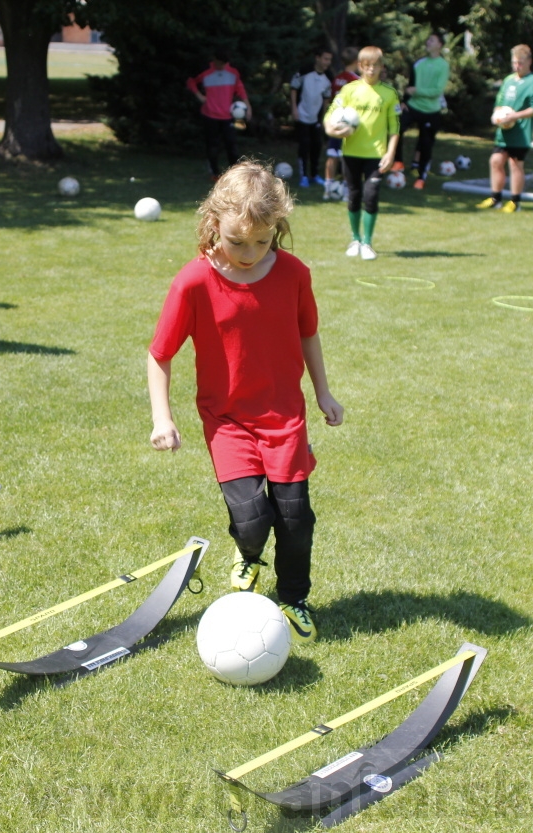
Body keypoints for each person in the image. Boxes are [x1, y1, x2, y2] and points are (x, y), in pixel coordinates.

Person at [147, 161, 344, 644]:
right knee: (253, 519)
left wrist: (323, 392)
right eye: (237, 242)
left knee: (296, 519)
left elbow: (308, 334)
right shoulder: (193, 282)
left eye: (263, 240)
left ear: (278, 226)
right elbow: (159, 355)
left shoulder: (295, 274)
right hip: (228, 421)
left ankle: (294, 597)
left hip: (284, 420)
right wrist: (163, 418)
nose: (250, 253)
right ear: (214, 223)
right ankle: (248, 554)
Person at [324, 46, 400, 261]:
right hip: (351, 153)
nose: (371, 69)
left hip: (377, 154)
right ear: (360, 66)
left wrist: (391, 153)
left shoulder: (389, 94)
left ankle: (367, 242)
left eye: (375, 65)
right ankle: (355, 239)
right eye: (367, 66)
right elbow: (331, 115)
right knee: (354, 196)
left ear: (381, 67)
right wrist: (332, 130)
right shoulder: (349, 91)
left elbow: (395, 128)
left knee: (371, 196)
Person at [477, 44, 533, 213]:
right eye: (514, 62)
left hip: (521, 133)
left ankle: (515, 202)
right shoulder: (508, 80)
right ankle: (495, 198)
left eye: (520, 63)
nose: (517, 66)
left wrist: (515, 116)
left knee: (515, 165)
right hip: (504, 132)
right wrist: (497, 115)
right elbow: (499, 103)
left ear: (529, 61)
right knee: (496, 161)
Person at [187, 53, 250, 179]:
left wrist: (248, 106)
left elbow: (240, 89)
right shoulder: (206, 71)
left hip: (228, 116)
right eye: (219, 63)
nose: (220, 66)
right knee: (212, 146)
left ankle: (235, 174)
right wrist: (200, 96)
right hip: (210, 115)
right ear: (215, 60)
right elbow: (191, 82)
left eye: (223, 64)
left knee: (231, 145)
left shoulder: (233, 73)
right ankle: (215, 173)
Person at [399, 33, 450, 190]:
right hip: (413, 106)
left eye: (432, 40)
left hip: (431, 111)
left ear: (439, 45)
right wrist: (404, 102)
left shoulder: (443, 65)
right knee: (396, 128)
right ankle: (397, 162)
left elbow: (436, 91)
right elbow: (410, 86)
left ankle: (421, 176)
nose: (427, 42)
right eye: (427, 39)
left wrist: (417, 91)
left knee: (426, 143)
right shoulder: (419, 63)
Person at [289, 48, 332, 189]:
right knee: (304, 146)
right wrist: (294, 109)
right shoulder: (304, 71)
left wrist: (324, 117)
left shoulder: (329, 76)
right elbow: (293, 89)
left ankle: (314, 175)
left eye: (329, 59)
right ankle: (304, 176)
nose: (327, 62)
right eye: (325, 58)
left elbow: (326, 98)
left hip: (316, 118)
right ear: (317, 58)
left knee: (317, 146)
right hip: (302, 115)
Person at [322, 47, 361, 201]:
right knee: (347, 157)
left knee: (332, 155)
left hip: (335, 120)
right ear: (357, 62)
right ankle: (346, 191)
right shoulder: (356, 81)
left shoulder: (337, 78)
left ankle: (327, 189)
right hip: (348, 123)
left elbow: (331, 99)